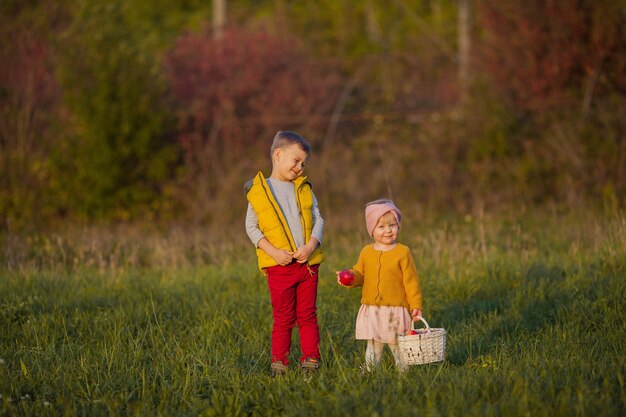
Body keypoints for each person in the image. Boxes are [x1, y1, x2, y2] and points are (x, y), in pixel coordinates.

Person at [244, 131, 325, 377]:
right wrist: (274, 253)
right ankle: (279, 362)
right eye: (296, 160)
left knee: (308, 314)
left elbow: (318, 219)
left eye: (303, 163)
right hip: (279, 267)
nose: (300, 167)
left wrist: (310, 246)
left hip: (307, 265)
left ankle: (311, 359)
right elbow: (251, 227)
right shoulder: (259, 191)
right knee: (283, 317)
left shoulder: (303, 189)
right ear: (278, 155)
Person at [337, 199, 422, 371]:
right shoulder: (367, 252)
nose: (388, 230)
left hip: (394, 309)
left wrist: (416, 305)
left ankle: (403, 370)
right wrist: (350, 278)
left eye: (392, 225)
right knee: (374, 342)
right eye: (381, 227)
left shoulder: (402, 252)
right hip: (373, 308)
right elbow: (360, 274)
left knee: (396, 342)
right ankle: (370, 369)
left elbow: (411, 281)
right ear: (372, 230)